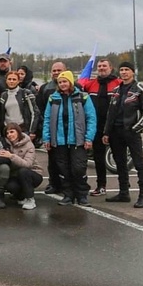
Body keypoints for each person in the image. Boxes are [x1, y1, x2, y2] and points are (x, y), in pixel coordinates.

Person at [42, 70, 96, 207]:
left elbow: (91, 118)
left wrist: (89, 137)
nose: (62, 84)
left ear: (71, 82)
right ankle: (68, 195)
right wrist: (46, 138)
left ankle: (82, 195)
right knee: (63, 170)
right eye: (60, 82)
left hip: (78, 140)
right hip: (59, 141)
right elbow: (47, 119)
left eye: (65, 81)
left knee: (78, 169)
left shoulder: (83, 97)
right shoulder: (53, 98)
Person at [103, 61, 143, 208]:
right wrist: (107, 132)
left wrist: (135, 128)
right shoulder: (116, 90)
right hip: (116, 133)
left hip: (131, 132)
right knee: (120, 163)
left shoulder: (140, 90)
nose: (124, 72)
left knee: (139, 163)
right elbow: (110, 113)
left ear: (133, 72)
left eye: (127, 70)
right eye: (122, 69)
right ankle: (123, 192)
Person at [78, 59, 121, 196]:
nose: (101, 68)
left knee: (119, 158)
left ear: (111, 67)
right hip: (96, 127)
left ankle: (123, 188)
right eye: (99, 66)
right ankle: (101, 186)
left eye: (104, 66)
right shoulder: (90, 85)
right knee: (99, 158)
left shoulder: (118, 84)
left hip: (115, 127)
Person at [36, 61, 66, 193]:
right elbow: (40, 109)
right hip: (51, 130)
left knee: (67, 160)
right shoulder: (45, 88)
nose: (56, 73)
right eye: (54, 70)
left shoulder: (75, 87)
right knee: (52, 160)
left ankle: (67, 185)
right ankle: (53, 183)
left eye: (59, 70)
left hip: (67, 130)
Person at [0, 123, 42, 210]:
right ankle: (20, 196)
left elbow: (28, 164)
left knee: (23, 171)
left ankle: (30, 199)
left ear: (18, 132)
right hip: (15, 175)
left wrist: (11, 156)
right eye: (7, 133)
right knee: (10, 185)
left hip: (33, 174)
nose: (9, 135)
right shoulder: (5, 145)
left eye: (12, 132)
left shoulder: (29, 145)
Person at [0, 71, 38, 141]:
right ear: (6, 81)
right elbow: (1, 115)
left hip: (22, 130)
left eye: (14, 79)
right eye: (9, 79)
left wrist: (32, 131)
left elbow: (35, 112)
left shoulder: (26, 93)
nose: (11, 81)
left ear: (18, 81)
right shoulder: (3, 95)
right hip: (7, 131)